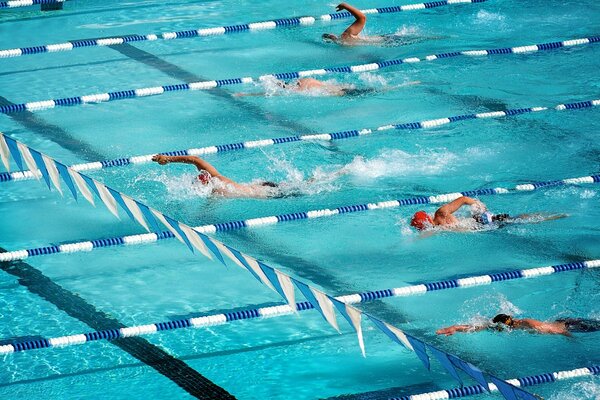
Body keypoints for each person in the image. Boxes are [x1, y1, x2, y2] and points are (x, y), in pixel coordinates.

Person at [151, 154, 280, 199]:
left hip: (266, 193)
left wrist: (168, 159)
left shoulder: (217, 180)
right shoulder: (215, 190)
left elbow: (195, 159)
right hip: (258, 188)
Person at [410, 196, 566, 231]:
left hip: (481, 221)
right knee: (514, 220)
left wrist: (478, 205)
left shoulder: (441, 214)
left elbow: (464, 199)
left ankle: (554, 216)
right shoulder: (436, 226)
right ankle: (551, 216)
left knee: (519, 220)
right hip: (478, 222)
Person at [436, 314, 600, 337]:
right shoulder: (504, 324)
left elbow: (556, 330)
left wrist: (571, 338)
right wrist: (455, 328)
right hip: (561, 322)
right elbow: (478, 326)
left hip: (570, 326)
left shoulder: (527, 323)